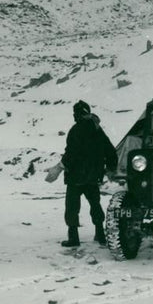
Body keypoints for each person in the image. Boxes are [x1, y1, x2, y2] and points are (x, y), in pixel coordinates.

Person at [45, 100, 118, 247]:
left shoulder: (76, 130)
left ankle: (73, 238)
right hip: (93, 176)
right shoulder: (98, 130)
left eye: (75, 113)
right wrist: (111, 168)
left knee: (72, 207)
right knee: (95, 204)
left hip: (76, 176)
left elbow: (71, 153)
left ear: (78, 114)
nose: (74, 116)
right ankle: (100, 234)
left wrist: (60, 167)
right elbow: (110, 150)